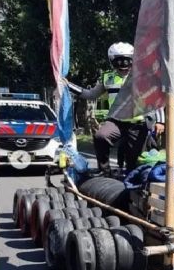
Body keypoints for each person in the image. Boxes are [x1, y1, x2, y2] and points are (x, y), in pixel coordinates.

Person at [67, 42, 164, 175]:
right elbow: (91, 94)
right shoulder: (108, 78)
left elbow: (154, 98)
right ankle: (104, 170)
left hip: (137, 123)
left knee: (132, 162)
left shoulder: (143, 77)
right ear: (112, 62)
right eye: (119, 63)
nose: (124, 67)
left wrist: (160, 121)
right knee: (101, 136)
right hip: (116, 121)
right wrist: (69, 86)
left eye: (127, 62)